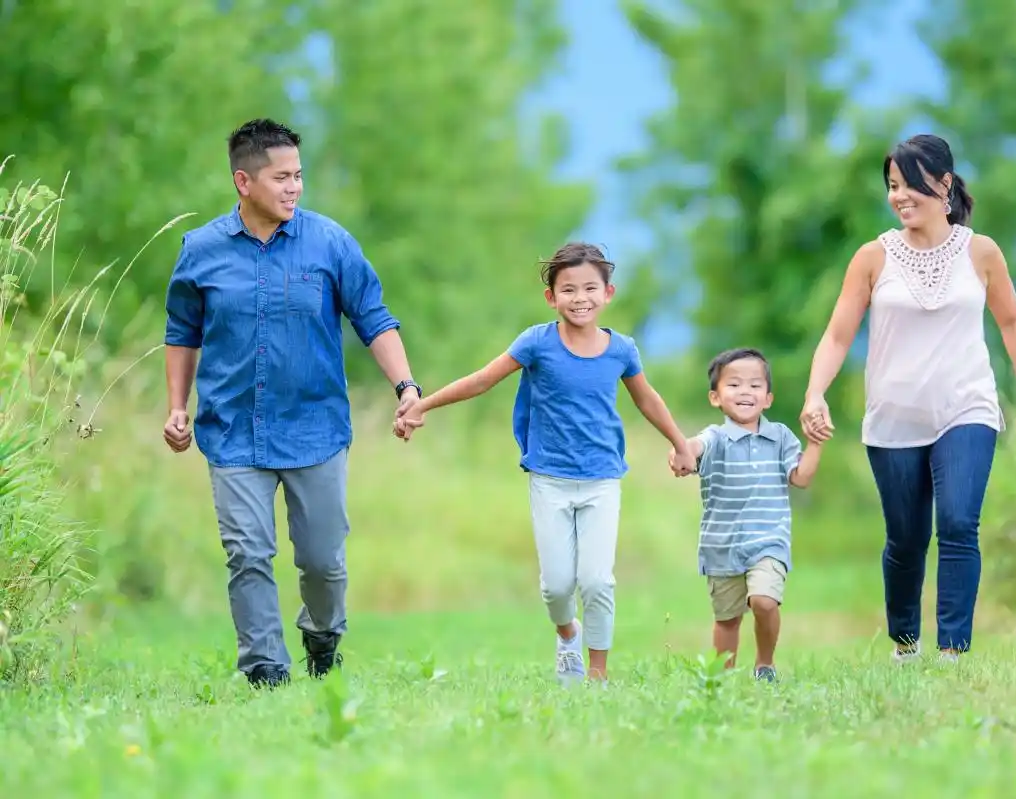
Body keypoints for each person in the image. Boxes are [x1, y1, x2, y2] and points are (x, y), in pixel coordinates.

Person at [162, 118, 423, 689]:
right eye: (281, 177)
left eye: (298, 176)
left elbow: (373, 318)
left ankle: (323, 639)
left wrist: (407, 388)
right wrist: (177, 405)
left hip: (315, 429)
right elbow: (182, 331)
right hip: (232, 432)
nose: (294, 187)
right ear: (243, 181)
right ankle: (265, 670)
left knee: (323, 562)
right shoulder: (201, 251)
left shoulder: (330, 242)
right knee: (248, 556)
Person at [396, 242, 697, 685]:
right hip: (549, 479)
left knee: (597, 582)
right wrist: (424, 405)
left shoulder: (622, 350)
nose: (581, 298)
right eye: (569, 289)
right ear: (551, 297)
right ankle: (566, 634)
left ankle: (596, 675)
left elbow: (647, 399)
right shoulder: (537, 342)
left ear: (608, 293)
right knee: (557, 586)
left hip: (602, 480)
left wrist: (680, 444)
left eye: (591, 288)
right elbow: (483, 379)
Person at [799, 133, 1016, 663]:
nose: (900, 196)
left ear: (945, 183)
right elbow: (839, 333)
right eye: (893, 185)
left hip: (967, 407)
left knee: (959, 523)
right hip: (893, 416)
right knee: (906, 540)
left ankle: (953, 651)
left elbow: (1011, 322)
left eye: (911, 183)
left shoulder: (980, 252)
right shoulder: (872, 257)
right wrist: (815, 393)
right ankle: (906, 643)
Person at [669, 348, 822, 683]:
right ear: (715, 397)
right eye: (734, 385)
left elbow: (801, 477)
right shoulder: (716, 438)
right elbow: (695, 446)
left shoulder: (780, 436)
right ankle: (722, 681)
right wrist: (682, 450)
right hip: (721, 545)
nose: (745, 392)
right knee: (727, 619)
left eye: (755, 386)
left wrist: (815, 444)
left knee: (765, 601)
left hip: (769, 540)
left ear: (767, 398)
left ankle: (764, 665)